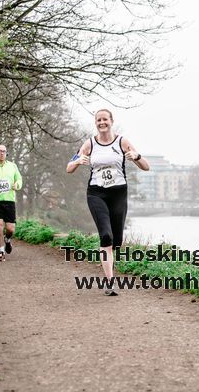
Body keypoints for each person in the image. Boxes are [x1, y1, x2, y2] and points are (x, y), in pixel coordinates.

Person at [66, 108, 149, 296]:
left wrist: (136, 157)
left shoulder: (122, 142)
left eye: (105, 119)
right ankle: (110, 282)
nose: (101, 122)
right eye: (98, 120)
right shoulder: (89, 144)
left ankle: (110, 261)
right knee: (106, 236)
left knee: (117, 241)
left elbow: (146, 166)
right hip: (96, 194)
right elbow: (69, 168)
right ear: (95, 123)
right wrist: (79, 160)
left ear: (111, 121)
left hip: (118, 193)